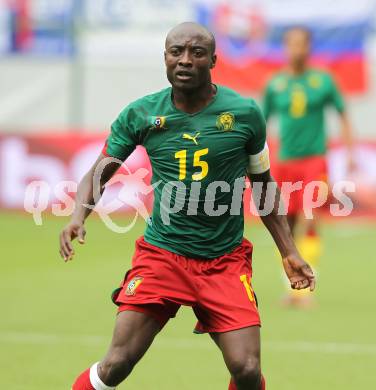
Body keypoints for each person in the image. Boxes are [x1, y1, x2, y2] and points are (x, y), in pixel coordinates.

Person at [60, 22, 315, 390]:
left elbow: (263, 186)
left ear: (213, 59)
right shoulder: (142, 114)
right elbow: (100, 171)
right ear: (164, 57)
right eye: (176, 51)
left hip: (223, 261)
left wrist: (288, 252)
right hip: (163, 256)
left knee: (246, 368)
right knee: (116, 364)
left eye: (196, 53)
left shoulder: (244, 114)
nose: (185, 60)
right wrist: (77, 216)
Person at [262, 26, 354, 307]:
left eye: (301, 44)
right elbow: (260, 124)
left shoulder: (323, 81)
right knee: (285, 225)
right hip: (284, 162)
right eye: (291, 44)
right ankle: (293, 287)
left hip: (314, 161)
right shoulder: (275, 84)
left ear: (309, 47)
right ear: (285, 48)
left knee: (311, 217)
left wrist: (349, 151)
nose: (296, 50)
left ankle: (306, 288)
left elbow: (342, 114)